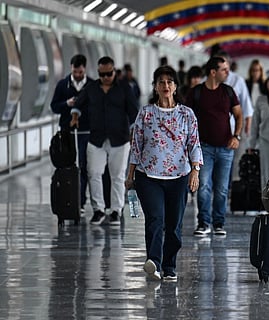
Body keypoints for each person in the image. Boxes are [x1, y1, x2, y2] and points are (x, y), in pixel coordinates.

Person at [126, 66, 203, 281]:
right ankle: (154, 262)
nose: (166, 86)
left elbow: (194, 144)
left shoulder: (186, 114)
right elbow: (136, 145)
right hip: (148, 176)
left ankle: (169, 265)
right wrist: (130, 175)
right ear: (155, 87)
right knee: (155, 219)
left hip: (178, 177)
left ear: (176, 87)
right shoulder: (146, 113)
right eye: (161, 82)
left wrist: (195, 171)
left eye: (170, 82)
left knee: (174, 226)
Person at [71, 56, 138, 225]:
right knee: (94, 173)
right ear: (98, 73)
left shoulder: (124, 88)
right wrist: (75, 115)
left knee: (117, 175)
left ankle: (116, 210)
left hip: (120, 139)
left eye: (109, 74)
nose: (106, 78)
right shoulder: (92, 87)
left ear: (114, 71)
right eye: (102, 74)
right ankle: (98, 209)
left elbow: (133, 111)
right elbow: (79, 103)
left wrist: (134, 131)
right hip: (96, 138)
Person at [185, 56, 243, 237]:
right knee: (203, 186)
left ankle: (219, 223)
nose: (227, 72)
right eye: (224, 69)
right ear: (213, 72)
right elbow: (186, 117)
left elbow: (239, 114)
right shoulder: (197, 92)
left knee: (222, 188)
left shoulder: (228, 91)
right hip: (203, 148)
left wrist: (237, 135)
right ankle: (203, 222)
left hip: (226, 147)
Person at [50, 54, 95, 213]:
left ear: (85, 69)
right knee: (67, 166)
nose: (77, 75)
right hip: (67, 132)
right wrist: (66, 104)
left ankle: (80, 201)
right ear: (71, 69)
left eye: (80, 72)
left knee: (84, 166)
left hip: (86, 132)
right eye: (75, 72)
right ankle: (68, 200)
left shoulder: (91, 85)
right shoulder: (63, 85)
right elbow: (54, 106)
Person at [211, 49, 253, 182]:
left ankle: (227, 189)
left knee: (228, 163)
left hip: (231, 130)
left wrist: (246, 129)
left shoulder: (237, 80)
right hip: (210, 131)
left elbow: (246, 105)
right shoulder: (208, 81)